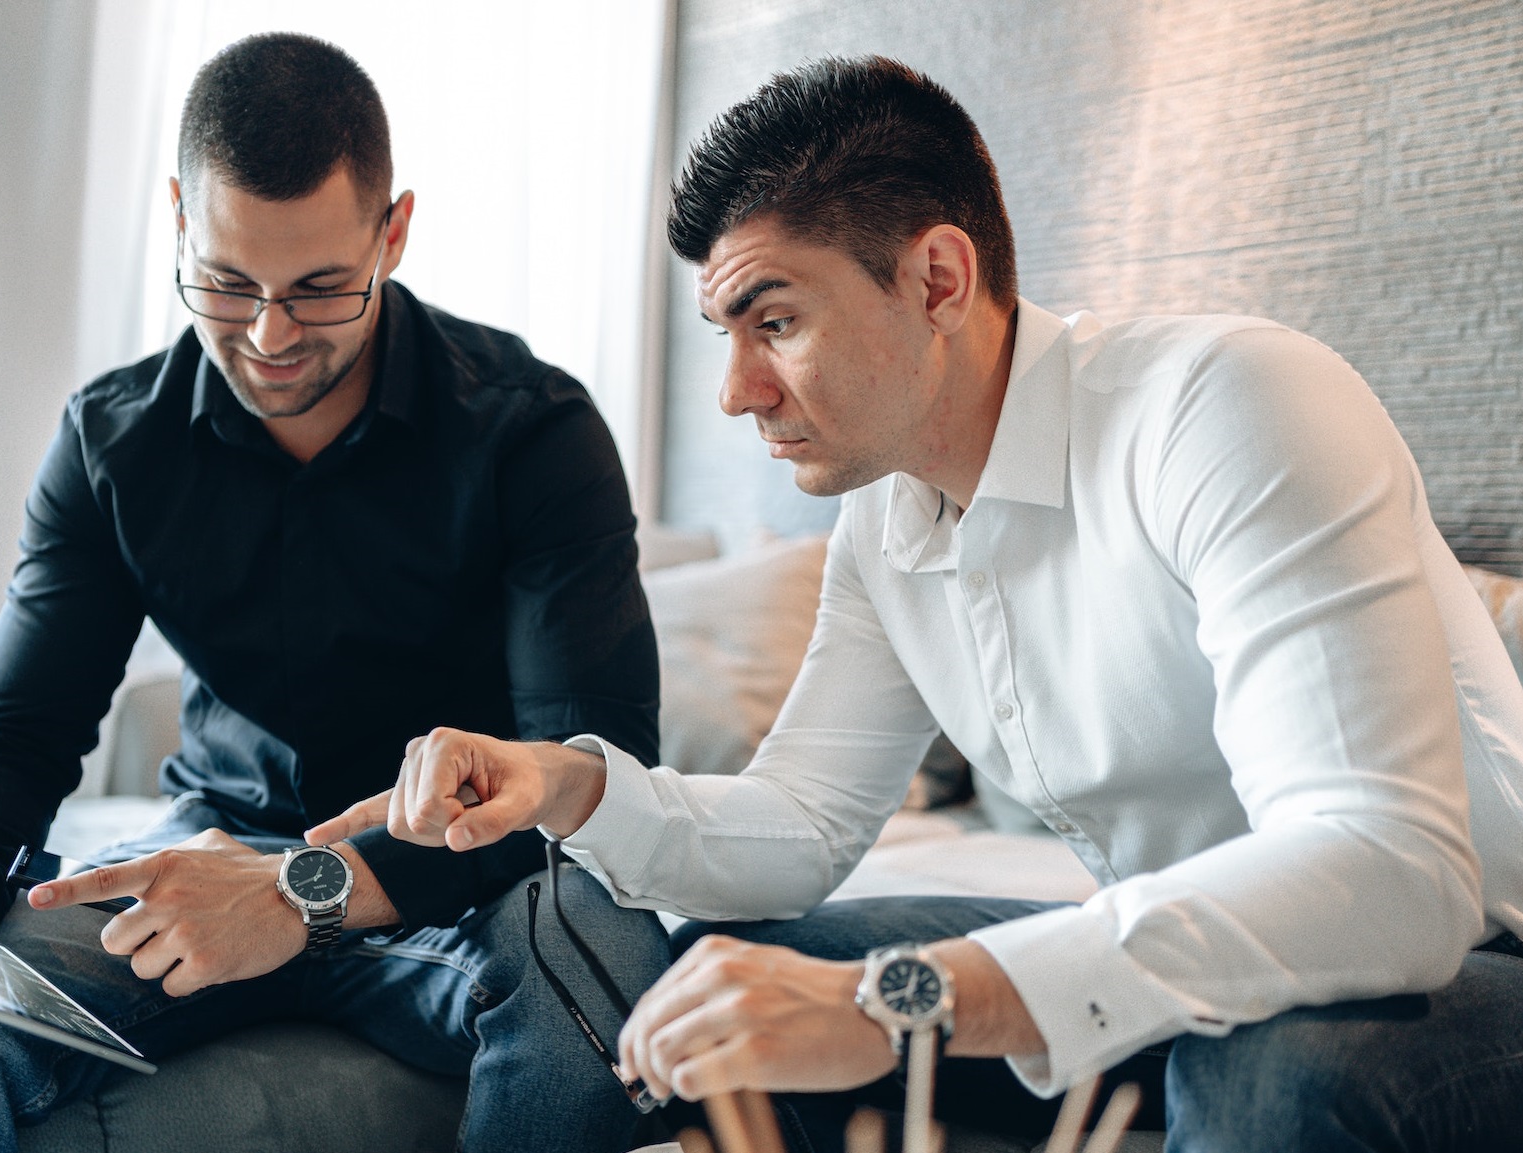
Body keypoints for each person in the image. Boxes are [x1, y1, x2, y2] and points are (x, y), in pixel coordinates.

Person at [319, 55, 1523, 1151]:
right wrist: (569, 786)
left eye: (776, 321)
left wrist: (907, 997)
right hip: (1170, 966)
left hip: (1467, 961)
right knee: (726, 986)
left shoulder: (1227, 405)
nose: (739, 393)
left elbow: (1387, 874)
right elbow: (800, 824)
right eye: (725, 336)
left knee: (1277, 1065)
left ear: (938, 277)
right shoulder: (887, 526)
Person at [0, 32, 671, 1153]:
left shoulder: (533, 431)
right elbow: (21, 726)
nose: (267, 337)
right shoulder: (115, 440)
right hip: (203, 863)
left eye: (320, 290)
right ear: (178, 215)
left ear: (394, 231)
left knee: (600, 941)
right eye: (226, 282)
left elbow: (592, 769)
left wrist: (304, 889)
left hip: (466, 885)